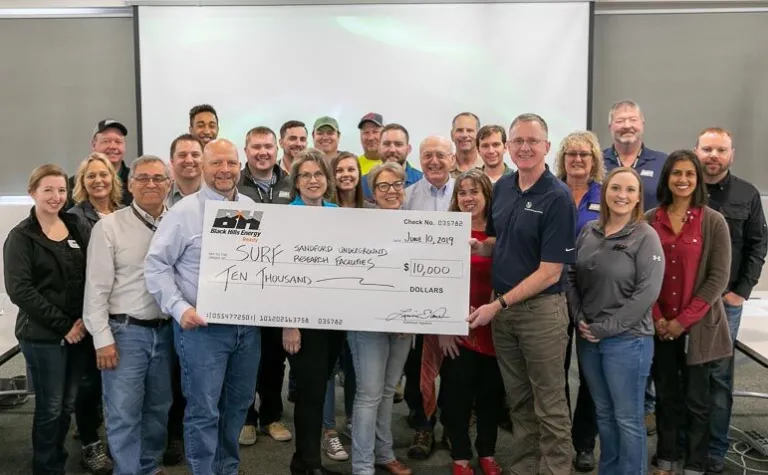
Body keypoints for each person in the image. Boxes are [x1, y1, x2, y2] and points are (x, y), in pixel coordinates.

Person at [145, 139, 262, 474]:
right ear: (203, 167)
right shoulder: (184, 212)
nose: (224, 171)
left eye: (230, 163)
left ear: (240, 166)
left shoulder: (252, 205)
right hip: (202, 330)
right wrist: (180, 308)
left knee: (238, 406)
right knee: (203, 409)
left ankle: (227, 468)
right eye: (216, 164)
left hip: (246, 330)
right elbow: (156, 266)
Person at [467, 113, 576, 474]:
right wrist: (481, 248)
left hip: (540, 313)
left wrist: (497, 304)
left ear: (546, 146)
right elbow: (503, 241)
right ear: (509, 147)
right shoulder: (503, 188)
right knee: (518, 398)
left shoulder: (558, 197)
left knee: (550, 401)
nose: (525, 148)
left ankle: (556, 469)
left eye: (533, 141)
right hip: (506, 312)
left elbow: (550, 271)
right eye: (519, 141)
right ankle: (528, 465)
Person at [568, 167, 664, 474]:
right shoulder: (589, 231)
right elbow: (571, 275)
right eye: (615, 189)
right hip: (589, 338)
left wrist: (604, 328)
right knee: (605, 415)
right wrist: (579, 317)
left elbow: (646, 294)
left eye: (630, 190)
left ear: (638, 197)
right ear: (605, 192)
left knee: (628, 418)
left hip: (628, 341)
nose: (622, 195)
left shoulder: (645, 236)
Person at [83, 156, 173, 475]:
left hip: (166, 334)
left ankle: (148, 467)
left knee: (158, 410)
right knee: (123, 413)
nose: (151, 184)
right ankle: (128, 471)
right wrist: (102, 339)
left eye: (158, 178)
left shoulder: (177, 222)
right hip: (125, 333)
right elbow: (95, 288)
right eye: (143, 178)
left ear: (169, 185)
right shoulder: (109, 226)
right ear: (130, 184)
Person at [646, 150, 732, 475]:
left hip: (699, 327)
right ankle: (666, 458)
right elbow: (643, 276)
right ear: (666, 177)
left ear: (697, 180)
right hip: (660, 325)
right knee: (666, 397)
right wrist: (659, 319)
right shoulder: (650, 220)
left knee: (698, 401)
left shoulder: (713, 221)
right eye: (676, 173)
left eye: (689, 174)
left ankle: (695, 462)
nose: (683, 180)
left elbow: (717, 279)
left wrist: (682, 321)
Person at [3, 164, 91, 475]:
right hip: (43, 336)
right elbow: (20, 291)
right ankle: (46, 467)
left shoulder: (77, 226)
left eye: (61, 190)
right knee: (50, 408)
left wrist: (81, 321)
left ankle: (56, 460)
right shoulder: (21, 237)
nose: (56, 197)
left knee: (67, 405)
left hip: (79, 332)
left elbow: (91, 276)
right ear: (32, 193)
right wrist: (64, 325)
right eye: (48, 190)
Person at [695, 127, 768, 473]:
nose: (713, 155)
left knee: (719, 377)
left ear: (731, 154)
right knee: (684, 373)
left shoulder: (747, 194)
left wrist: (742, 292)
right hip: (686, 300)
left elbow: (757, 247)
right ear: (697, 151)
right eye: (707, 149)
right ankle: (683, 442)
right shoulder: (683, 189)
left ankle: (715, 449)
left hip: (726, 303)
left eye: (720, 150)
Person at [433, 169, 504, 475]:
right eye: (462, 192)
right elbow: (433, 282)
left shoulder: (501, 232)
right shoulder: (446, 231)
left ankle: (487, 453)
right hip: (457, 330)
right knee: (455, 396)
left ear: (488, 196)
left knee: (491, 395)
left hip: (496, 328)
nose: (468, 198)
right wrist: (444, 328)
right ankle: (460, 456)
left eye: (475, 191)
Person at [347, 162, 414, 475]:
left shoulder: (416, 225)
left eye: (397, 184)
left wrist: (410, 318)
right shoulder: (361, 224)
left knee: (388, 390)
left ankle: (384, 453)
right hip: (367, 324)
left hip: (403, 324)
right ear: (372, 192)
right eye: (384, 186)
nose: (392, 191)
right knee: (369, 394)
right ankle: (362, 465)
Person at [283, 148, 344, 475]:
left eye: (318, 174)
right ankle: (307, 465)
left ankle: (305, 462)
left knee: (321, 387)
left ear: (327, 179)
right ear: (296, 182)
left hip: (334, 320)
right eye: (305, 175)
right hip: (302, 325)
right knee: (309, 394)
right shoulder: (286, 215)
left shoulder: (337, 211)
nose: (312, 180)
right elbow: (281, 272)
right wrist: (290, 324)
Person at [554, 131, 603, 471]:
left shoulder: (606, 193)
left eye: (584, 154)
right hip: (551, 292)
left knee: (590, 373)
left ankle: (584, 441)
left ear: (594, 160)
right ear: (563, 158)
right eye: (571, 153)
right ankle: (558, 439)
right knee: (555, 372)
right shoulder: (550, 191)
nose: (577, 159)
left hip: (592, 294)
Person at [69, 152, 121, 474]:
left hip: (122, 311)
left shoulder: (126, 213)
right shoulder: (73, 218)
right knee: (89, 383)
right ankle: (90, 443)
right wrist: (84, 315)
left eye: (104, 174)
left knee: (116, 382)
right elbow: (75, 272)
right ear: (83, 183)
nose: (98, 180)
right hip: (91, 312)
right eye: (91, 176)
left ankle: (118, 439)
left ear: (113, 179)